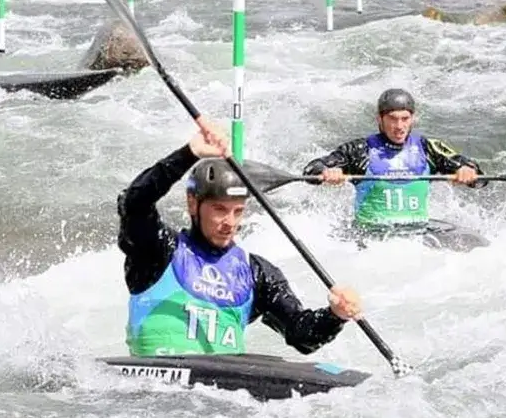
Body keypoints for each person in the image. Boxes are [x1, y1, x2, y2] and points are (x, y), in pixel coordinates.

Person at [117, 118, 363, 357]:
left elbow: (301, 334)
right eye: (220, 210)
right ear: (193, 204)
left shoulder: (257, 273)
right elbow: (135, 202)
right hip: (154, 391)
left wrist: (335, 315)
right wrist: (189, 153)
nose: (230, 223)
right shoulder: (157, 251)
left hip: (217, 396)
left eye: (238, 211)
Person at [301, 88, 485, 244]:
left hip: (416, 234)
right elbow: (311, 171)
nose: (399, 126)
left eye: (405, 119)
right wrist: (328, 172)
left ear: (412, 118)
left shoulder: (428, 148)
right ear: (379, 119)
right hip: (370, 236)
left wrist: (467, 172)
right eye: (392, 119)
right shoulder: (359, 149)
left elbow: (479, 177)